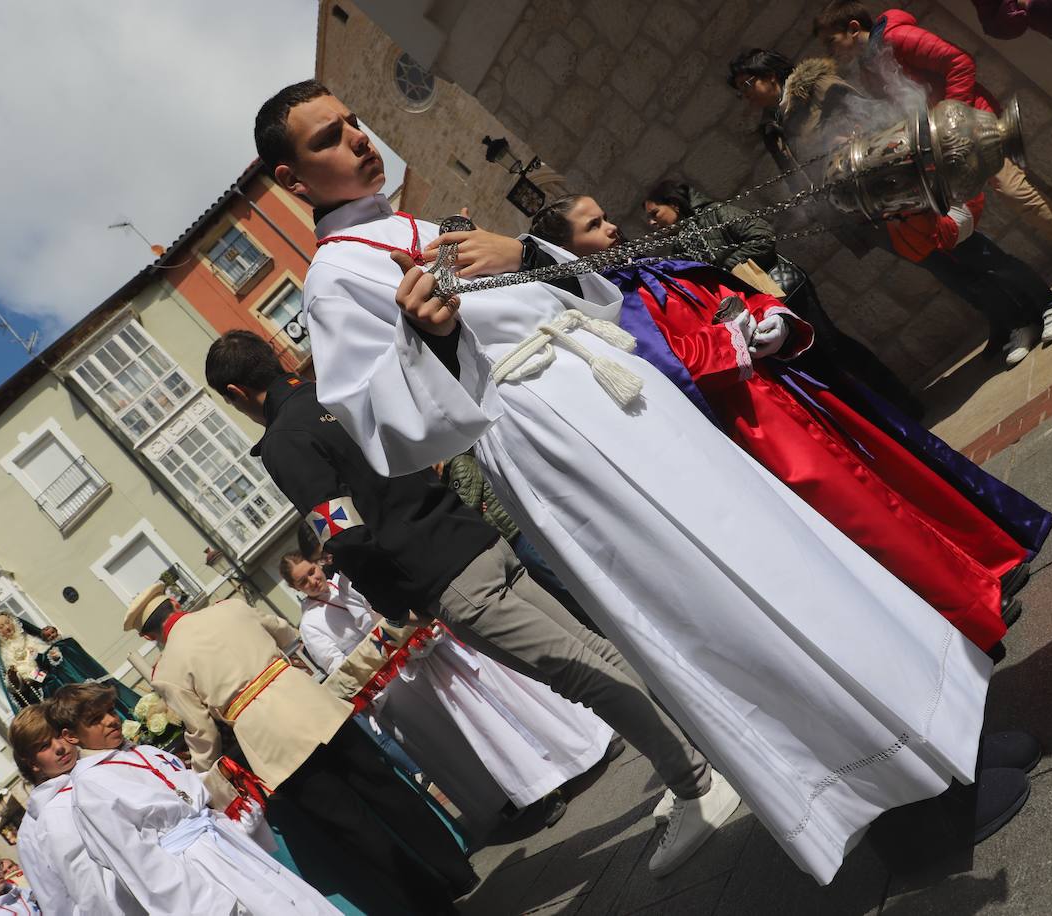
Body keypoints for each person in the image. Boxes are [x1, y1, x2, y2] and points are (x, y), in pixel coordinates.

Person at [250, 78, 1032, 884]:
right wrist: (430, 339)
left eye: (353, 122)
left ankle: (943, 743)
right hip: (557, 445)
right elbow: (384, 430)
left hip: (619, 400)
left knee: (787, 559)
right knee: (728, 607)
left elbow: (595, 292)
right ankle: (902, 808)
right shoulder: (336, 280)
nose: (358, 140)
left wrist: (524, 255)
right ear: (293, 180)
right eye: (327, 140)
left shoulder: (412, 222)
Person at [208, 326, 727, 877]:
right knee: (595, 650)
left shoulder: (287, 439)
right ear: (276, 358)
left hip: (439, 572)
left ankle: (695, 782)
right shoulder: (336, 394)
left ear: (238, 394)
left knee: (581, 673)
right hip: (470, 537)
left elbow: (341, 529)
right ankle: (708, 752)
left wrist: (391, 600)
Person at [529, 194, 1052, 650]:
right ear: (566, 251)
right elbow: (665, 363)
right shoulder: (608, 308)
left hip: (787, 392)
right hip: (752, 423)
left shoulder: (648, 268)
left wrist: (769, 317)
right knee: (863, 516)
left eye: (605, 217)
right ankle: (966, 609)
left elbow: (721, 293)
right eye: (593, 226)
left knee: (891, 478)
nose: (612, 227)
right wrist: (733, 340)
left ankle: (986, 567)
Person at [126, 583, 476, 914]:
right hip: (312, 705)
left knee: (356, 828)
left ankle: (432, 906)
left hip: (273, 742)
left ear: (147, 635)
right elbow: (287, 634)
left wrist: (203, 779)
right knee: (388, 789)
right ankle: (458, 870)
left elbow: (202, 733)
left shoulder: (167, 671)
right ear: (174, 602)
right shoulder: (229, 608)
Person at [730, 46, 1052, 367]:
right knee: (950, 272)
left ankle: (1047, 303)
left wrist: (851, 136)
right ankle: (1014, 321)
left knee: (973, 252)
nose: (744, 96)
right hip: (868, 211)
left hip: (895, 186)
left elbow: (873, 115)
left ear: (771, 74)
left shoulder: (816, 88)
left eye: (746, 84)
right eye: (739, 91)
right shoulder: (772, 128)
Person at [814, 0, 1052, 304]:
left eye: (832, 41)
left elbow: (959, 61)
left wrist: (957, 121)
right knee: (1028, 187)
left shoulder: (898, 38)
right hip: (952, 140)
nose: (831, 52)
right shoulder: (871, 68)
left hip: (972, 127)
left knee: (1016, 190)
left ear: (854, 27)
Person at [286, 553, 618, 828]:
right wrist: (391, 648)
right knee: (483, 732)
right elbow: (341, 667)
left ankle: (583, 745)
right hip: (403, 685)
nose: (313, 580)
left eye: (312, 571)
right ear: (296, 588)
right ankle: (539, 790)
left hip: (438, 646)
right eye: (303, 581)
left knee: (511, 696)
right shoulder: (312, 624)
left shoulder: (346, 580)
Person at [641, 177, 924, 417]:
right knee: (814, 368)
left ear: (675, 206)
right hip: (761, 312)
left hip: (785, 292)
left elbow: (761, 236)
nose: (652, 223)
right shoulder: (678, 249)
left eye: (655, 213)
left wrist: (726, 268)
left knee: (832, 347)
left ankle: (903, 404)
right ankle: (878, 420)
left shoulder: (715, 214)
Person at [50, 682, 341, 915]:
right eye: (95, 719)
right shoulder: (91, 788)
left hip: (226, 847)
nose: (111, 720)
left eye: (110, 710)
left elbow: (189, 800)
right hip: (199, 874)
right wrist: (206, 905)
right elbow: (137, 862)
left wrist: (236, 821)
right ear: (71, 736)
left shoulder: (143, 752)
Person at [437, 450, 602, 634]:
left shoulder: (457, 464)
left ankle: (601, 622)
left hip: (516, 534)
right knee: (554, 589)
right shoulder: (444, 482)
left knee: (560, 585)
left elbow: (464, 512)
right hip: (509, 541)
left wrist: (466, 510)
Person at [10, 704, 117, 916]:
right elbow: (55, 901)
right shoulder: (32, 831)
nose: (59, 747)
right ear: (32, 763)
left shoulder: (110, 767)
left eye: (59, 735)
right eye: (43, 746)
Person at [0, 610, 140, 718]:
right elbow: (13, 686)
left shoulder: (30, 639)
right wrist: (16, 679)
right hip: (39, 694)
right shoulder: (4, 654)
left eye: (7, 622)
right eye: (1, 627)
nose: (6, 628)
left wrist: (52, 656)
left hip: (52, 680)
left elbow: (46, 655)